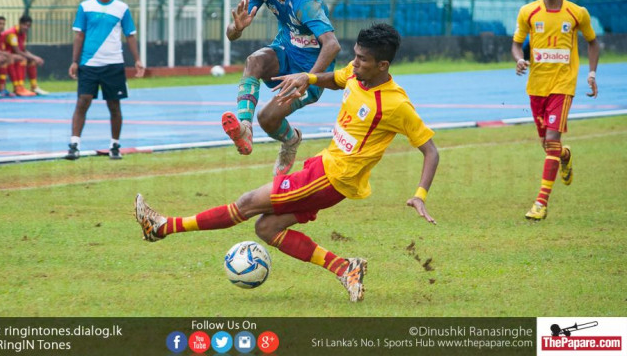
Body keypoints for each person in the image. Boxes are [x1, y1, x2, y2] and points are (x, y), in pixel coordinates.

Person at [135, 23, 439, 302]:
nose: (354, 63)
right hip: (323, 168)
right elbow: (336, 78)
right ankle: (346, 268)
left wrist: (420, 194)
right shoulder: (357, 74)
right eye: (355, 56)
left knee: (247, 203)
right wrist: (307, 77)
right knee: (267, 228)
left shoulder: (396, 104)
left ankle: (162, 227)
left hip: (331, 177)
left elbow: (430, 151)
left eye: (362, 60)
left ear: (382, 65)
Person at [222, 0, 342, 176]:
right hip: (285, 54)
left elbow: (332, 46)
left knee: (267, 118)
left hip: (310, 72)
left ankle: (291, 140)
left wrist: (308, 77)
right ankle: (244, 128)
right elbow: (231, 35)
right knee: (254, 61)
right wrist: (237, 28)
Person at [511, 0, 599, 221]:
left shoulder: (577, 13)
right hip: (536, 86)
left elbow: (593, 43)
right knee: (548, 144)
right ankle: (564, 154)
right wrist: (518, 58)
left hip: (563, 85)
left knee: (551, 140)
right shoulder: (528, 12)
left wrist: (591, 74)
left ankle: (540, 203)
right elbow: (516, 44)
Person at [66, 0, 145, 161]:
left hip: (113, 64)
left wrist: (137, 60)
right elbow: (79, 35)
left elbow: (130, 35)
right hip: (89, 63)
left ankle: (115, 145)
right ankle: (74, 144)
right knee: (83, 102)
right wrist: (75, 62)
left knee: (114, 106)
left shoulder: (121, 8)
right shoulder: (85, 7)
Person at [1, 15, 49, 96]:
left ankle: (34, 87)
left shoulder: (23, 34)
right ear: (20, 23)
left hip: (13, 55)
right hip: (5, 55)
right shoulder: (12, 33)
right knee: (22, 59)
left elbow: (23, 50)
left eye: (28, 26)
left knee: (32, 61)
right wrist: (34, 57)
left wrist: (35, 57)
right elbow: (17, 51)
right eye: (25, 25)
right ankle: (18, 87)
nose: (26, 27)